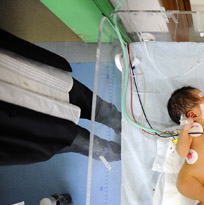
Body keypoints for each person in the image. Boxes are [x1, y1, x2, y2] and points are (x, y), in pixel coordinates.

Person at [0, 29, 121, 165]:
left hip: (16, 70)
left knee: (83, 98)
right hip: (21, 128)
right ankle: (123, 154)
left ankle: (121, 122)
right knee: (86, 144)